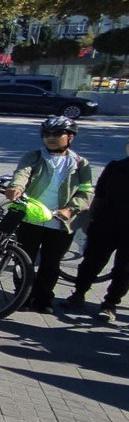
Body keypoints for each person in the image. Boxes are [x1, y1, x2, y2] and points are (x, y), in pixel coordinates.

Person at [5, 116, 94, 313]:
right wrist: (16, 188)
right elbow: (21, 174)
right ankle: (22, 296)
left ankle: (43, 299)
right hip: (30, 218)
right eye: (46, 134)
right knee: (23, 259)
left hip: (61, 222)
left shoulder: (80, 163)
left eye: (56, 134)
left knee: (51, 264)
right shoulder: (34, 156)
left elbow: (87, 192)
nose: (50, 138)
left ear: (70, 137)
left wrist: (70, 209)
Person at [64, 138, 128, 324]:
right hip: (105, 223)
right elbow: (98, 195)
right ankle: (78, 294)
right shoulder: (115, 167)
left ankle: (110, 304)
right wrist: (89, 218)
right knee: (91, 263)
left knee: (123, 271)